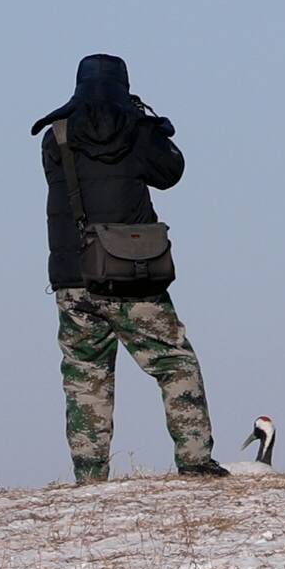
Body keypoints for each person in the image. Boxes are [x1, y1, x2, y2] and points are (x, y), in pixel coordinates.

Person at [35, 52, 223, 481]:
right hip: (132, 275)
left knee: (85, 376)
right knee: (174, 361)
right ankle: (195, 461)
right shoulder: (138, 133)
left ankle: (89, 476)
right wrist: (150, 124)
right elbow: (170, 171)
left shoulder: (56, 136)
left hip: (73, 278)